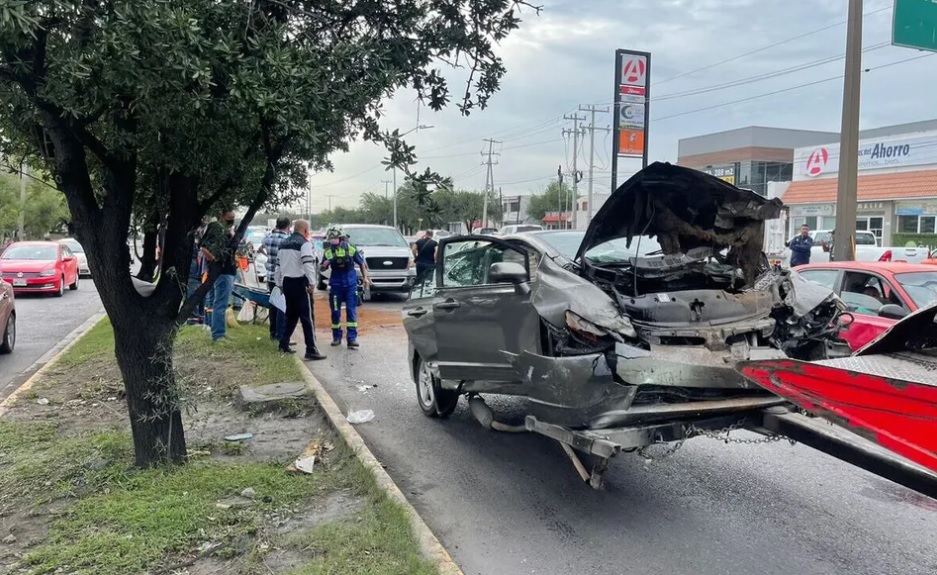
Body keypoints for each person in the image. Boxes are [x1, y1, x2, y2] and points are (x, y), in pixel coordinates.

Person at [275, 220, 326, 360]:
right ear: (305, 230)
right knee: (307, 318)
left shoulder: (283, 243)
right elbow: (308, 264)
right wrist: (312, 282)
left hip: (287, 283)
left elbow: (278, 266)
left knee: (291, 316)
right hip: (300, 283)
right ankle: (311, 349)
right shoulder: (304, 244)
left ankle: (283, 344)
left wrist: (279, 284)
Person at [320, 226, 371, 349]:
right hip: (336, 286)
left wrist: (365, 278)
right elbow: (321, 268)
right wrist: (324, 265)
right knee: (335, 312)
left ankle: (352, 339)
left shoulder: (351, 249)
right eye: (331, 238)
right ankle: (336, 337)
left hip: (350, 285)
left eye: (335, 238)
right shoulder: (328, 252)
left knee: (351, 311)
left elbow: (361, 263)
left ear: (341, 238)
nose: (332, 240)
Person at [200, 208, 238, 342]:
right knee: (220, 303)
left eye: (233, 217)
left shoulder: (227, 230)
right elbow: (203, 246)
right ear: (222, 216)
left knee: (222, 302)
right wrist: (212, 258)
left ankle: (220, 332)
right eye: (230, 217)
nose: (232, 220)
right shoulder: (215, 227)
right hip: (222, 271)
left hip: (229, 270)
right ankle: (217, 334)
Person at [260, 217, 291, 342]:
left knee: (273, 304)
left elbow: (260, 248)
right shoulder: (287, 240)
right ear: (287, 226)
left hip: (270, 275)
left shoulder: (268, 238)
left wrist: (268, 256)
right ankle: (280, 334)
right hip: (282, 277)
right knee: (282, 306)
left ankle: (273, 333)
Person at [186, 218, 208, 325]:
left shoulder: (201, 236)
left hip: (200, 268)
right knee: (193, 290)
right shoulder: (192, 236)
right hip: (194, 267)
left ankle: (200, 315)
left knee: (201, 292)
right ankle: (193, 317)